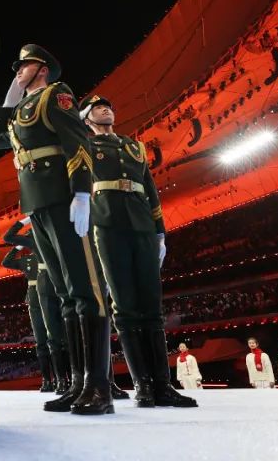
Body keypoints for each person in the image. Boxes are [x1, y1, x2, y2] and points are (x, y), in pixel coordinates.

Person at [0, 45, 109, 417]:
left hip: (61, 196)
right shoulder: (22, 109)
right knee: (66, 295)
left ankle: (98, 386)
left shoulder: (56, 95)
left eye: (24, 65)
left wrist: (81, 193)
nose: (18, 70)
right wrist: (9, 99)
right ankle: (77, 383)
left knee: (85, 290)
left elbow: (77, 141)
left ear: (42, 68)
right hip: (37, 203)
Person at [78, 95, 194, 409]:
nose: (106, 109)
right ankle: (143, 385)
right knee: (125, 306)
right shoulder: (84, 146)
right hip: (108, 226)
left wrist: (160, 232)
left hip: (142, 224)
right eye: (97, 108)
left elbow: (150, 189)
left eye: (108, 106)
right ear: (87, 119)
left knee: (152, 305)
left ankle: (163, 386)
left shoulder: (134, 147)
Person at [1, 220, 62, 393]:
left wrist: (19, 243)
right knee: (42, 340)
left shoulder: (44, 249)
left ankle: (59, 379)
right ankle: (49, 380)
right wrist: (17, 248)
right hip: (36, 296)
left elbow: (8, 241)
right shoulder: (27, 259)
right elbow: (6, 262)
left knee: (55, 338)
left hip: (49, 290)